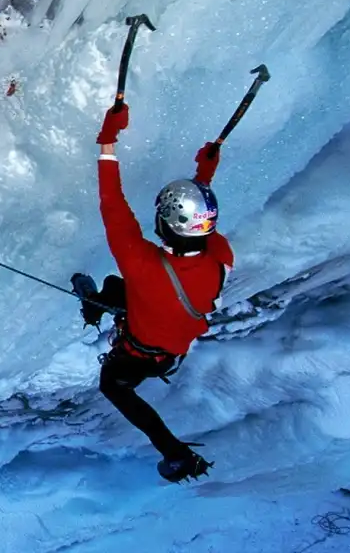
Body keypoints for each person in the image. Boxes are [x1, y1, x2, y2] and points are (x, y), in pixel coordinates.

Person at [72, 104, 234, 483]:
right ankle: (97, 305)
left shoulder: (141, 262)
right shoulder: (219, 259)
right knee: (118, 288)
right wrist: (203, 179)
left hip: (138, 351)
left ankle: (174, 451)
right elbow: (198, 229)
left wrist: (107, 140)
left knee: (112, 385)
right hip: (165, 348)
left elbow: (113, 202)